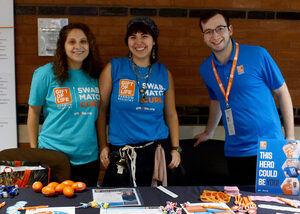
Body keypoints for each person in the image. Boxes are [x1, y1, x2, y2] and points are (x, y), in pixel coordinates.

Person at [194, 10, 295, 185]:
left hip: (270, 147)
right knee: (241, 206)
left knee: (276, 206)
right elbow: (217, 100)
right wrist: (209, 132)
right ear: (203, 36)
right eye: (208, 31)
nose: (215, 35)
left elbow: (283, 93)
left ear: (230, 30)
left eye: (220, 28)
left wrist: (290, 138)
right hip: (235, 151)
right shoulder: (205, 69)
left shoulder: (258, 55)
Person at [98, 17, 181, 187]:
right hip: (122, 152)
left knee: (156, 204)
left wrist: (175, 148)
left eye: (144, 36)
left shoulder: (163, 73)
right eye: (133, 37)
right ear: (127, 41)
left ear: (154, 41)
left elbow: (171, 115)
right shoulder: (114, 68)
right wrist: (103, 146)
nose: (139, 42)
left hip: (157, 150)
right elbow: (100, 111)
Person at [27, 23, 101, 186]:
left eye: (83, 41)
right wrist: (35, 151)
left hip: (88, 158)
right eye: (72, 42)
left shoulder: (95, 74)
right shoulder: (45, 74)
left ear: (90, 45)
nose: (78, 47)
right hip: (53, 156)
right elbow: (33, 114)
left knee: (86, 208)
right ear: (62, 46)